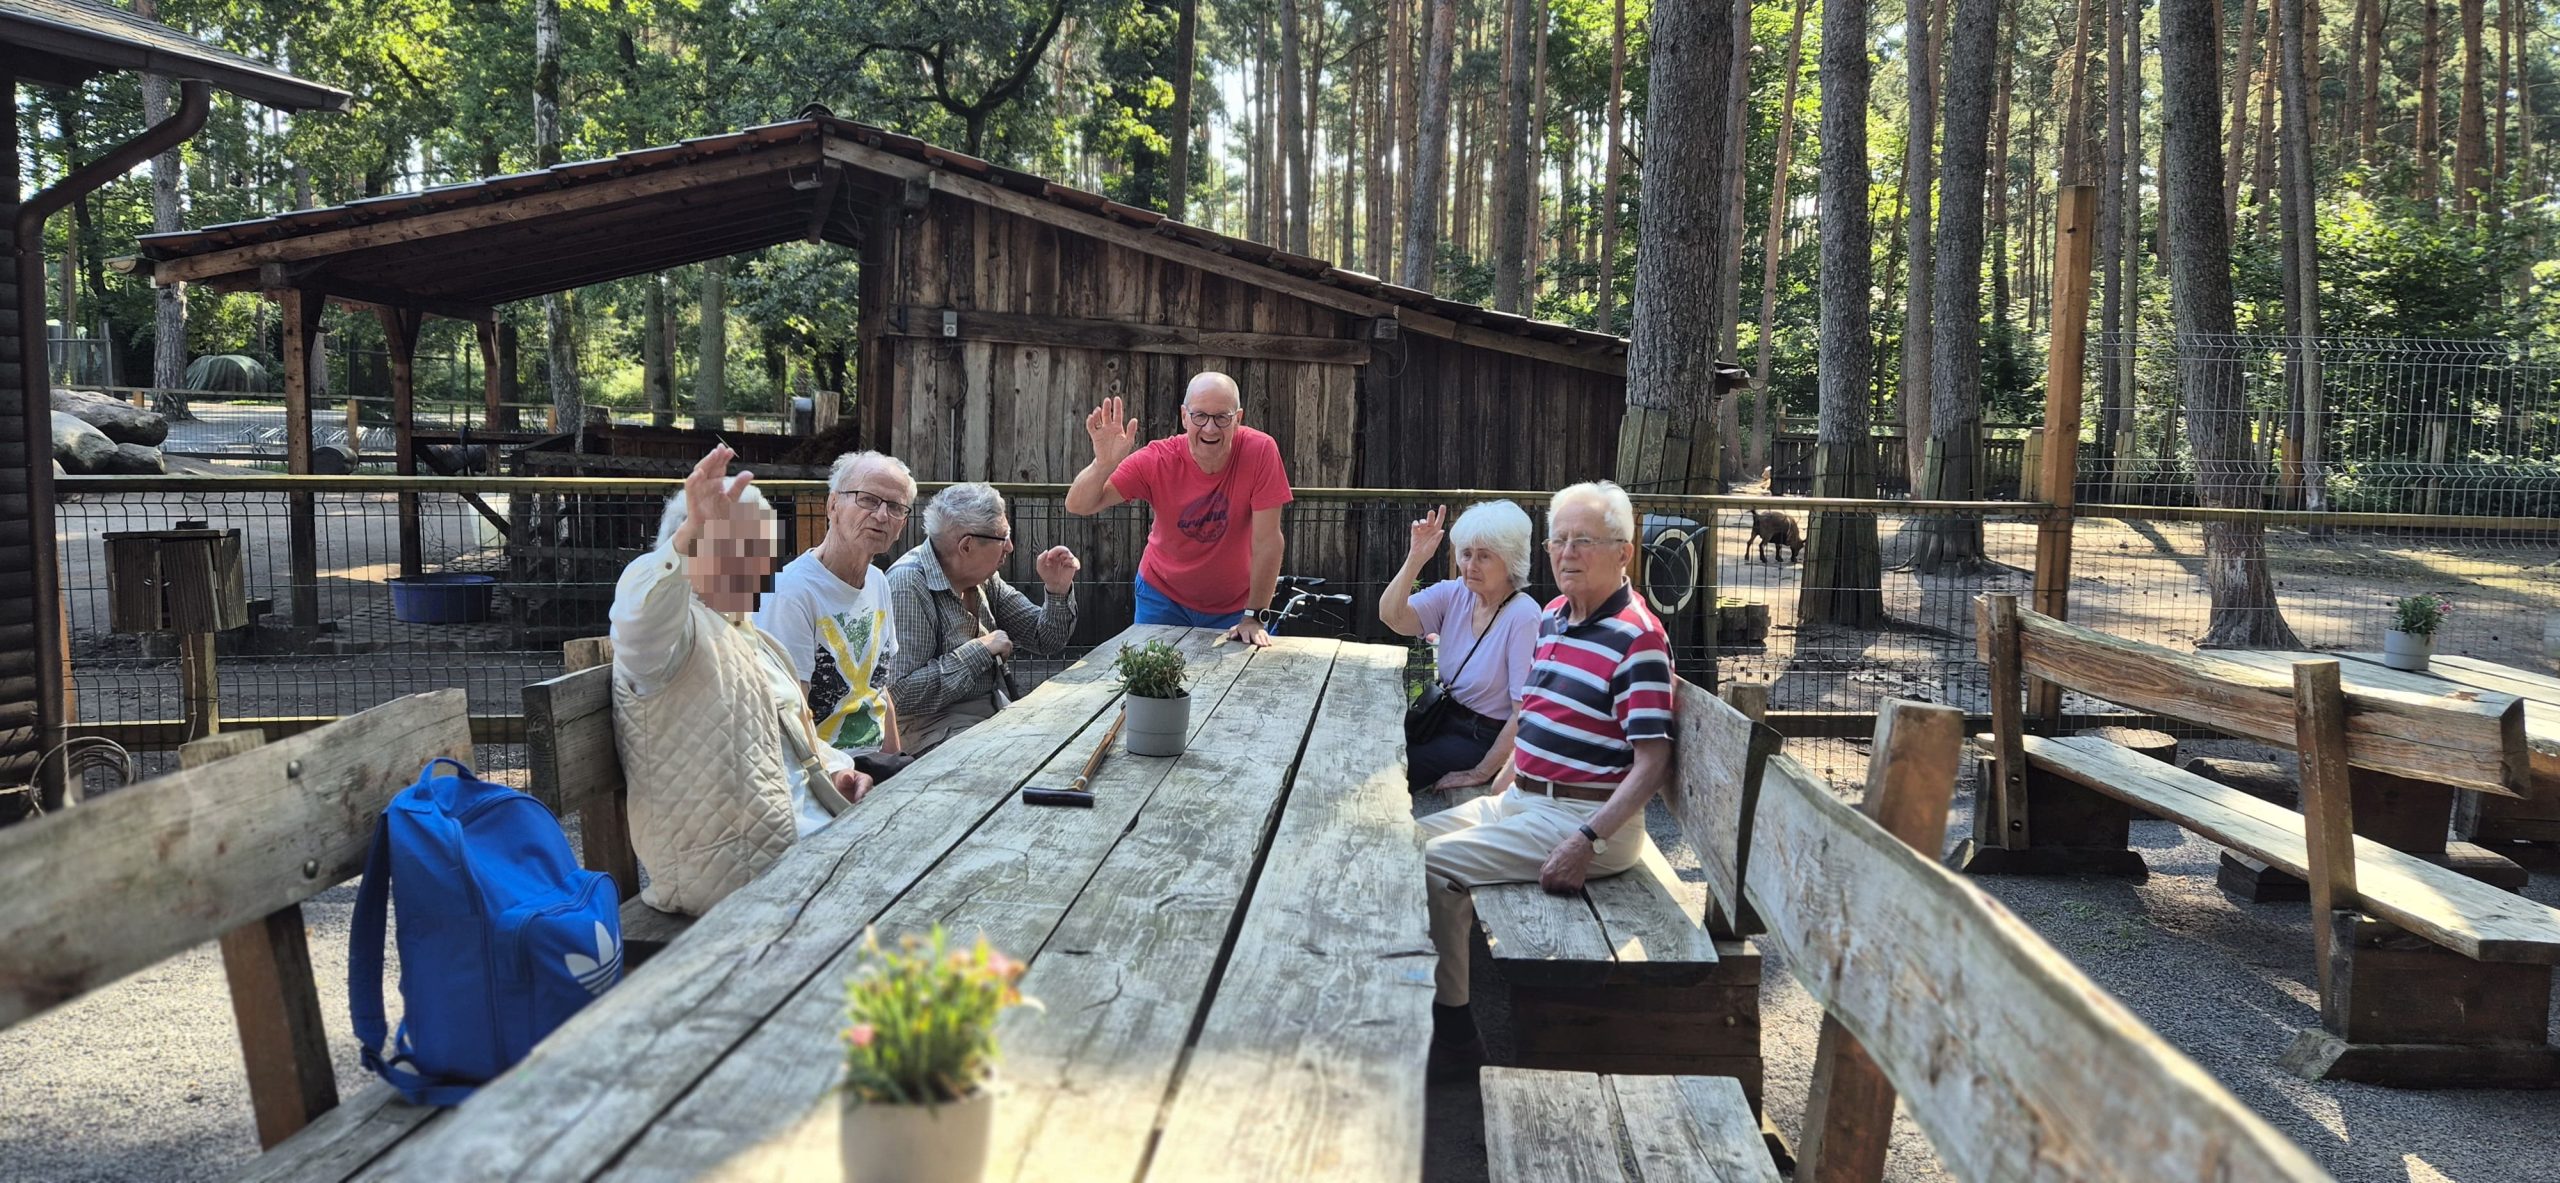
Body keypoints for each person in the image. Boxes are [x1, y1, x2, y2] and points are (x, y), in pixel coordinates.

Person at [1415, 480, 1675, 1076]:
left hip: (1581, 821)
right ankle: (1422, 1001)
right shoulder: (1557, 615)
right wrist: (1502, 778)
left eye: (1584, 541)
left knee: (1434, 868)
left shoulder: (1638, 639)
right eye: (1559, 540)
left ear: (1623, 553)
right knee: (1398, 848)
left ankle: (1454, 1037)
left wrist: (1587, 841)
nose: (1567, 554)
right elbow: (1531, 712)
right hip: (1526, 799)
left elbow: (1653, 762)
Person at [608, 445, 875, 917]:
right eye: (739, 548)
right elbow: (638, 620)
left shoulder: (751, 636)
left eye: (762, 550)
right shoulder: (672, 637)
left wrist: (837, 768)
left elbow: (791, 741)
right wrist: (690, 533)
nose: (758, 566)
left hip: (806, 842)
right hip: (738, 872)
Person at [1065, 372, 1291, 648]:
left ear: (1238, 419)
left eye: (1222, 417)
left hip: (1236, 605)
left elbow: (1268, 541)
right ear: (1184, 417)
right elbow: (1078, 504)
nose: (1210, 428)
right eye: (1200, 416)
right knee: (1151, 682)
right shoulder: (1157, 459)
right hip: (1163, 598)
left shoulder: (1260, 451)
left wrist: (1254, 615)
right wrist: (1102, 464)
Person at [753, 450, 910, 799]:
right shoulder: (792, 593)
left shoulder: (879, 582)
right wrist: (838, 780)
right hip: (821, 777)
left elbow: (878, 692)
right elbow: (787, 721)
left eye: (896, 507)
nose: (882, 515)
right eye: (868, 500)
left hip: (873, 767)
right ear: (832, 506)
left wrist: (897, 767)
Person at [881, 482, 1082, 754]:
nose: (1010, 547)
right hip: (930, 729)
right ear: (967, 546)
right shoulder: (908, 584)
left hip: (991, 711)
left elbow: (1045, 639)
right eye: (1004, 537)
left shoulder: (984, 580)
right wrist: (980, 650)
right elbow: (899, 695)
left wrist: (1057, 591)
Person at [1379, 500, 1541, 793]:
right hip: (1441, 718)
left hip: (1481, 737)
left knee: (1387, 773)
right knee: (1370, 745)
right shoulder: (1455, 593)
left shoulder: (1523, 616)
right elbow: (1392, 617)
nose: (1470, 565)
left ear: (1511, 561)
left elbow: (1524, 713)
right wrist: (1415, 558)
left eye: (1484, 556)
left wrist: (1481, 772)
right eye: (1466, 554)